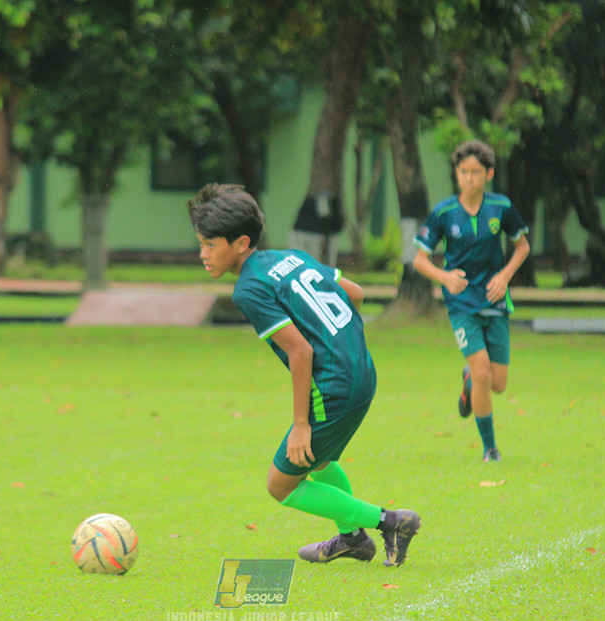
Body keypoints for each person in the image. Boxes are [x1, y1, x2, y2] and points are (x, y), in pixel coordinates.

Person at [189, 183, 420, 566]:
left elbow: (301, 351)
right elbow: (356, 293)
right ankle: (352, 539)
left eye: (210, 245)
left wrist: (301, 424)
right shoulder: (292, 257)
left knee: (280, 484)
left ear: (241, 243)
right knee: (321, 461)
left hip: (334, 386)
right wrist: (338, 340)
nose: (203, 254)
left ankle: (391, 522)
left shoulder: (249, 289)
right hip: (362, 372)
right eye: (201, 244)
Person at [412, 139, 529, 462]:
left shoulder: (501, 207)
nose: (469, 178)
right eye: (463, 171)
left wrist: (504, 276)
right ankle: (490, 449)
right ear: (457, 173)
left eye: (476, 172)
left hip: (495, 300)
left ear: (488, 174)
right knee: (482, 372)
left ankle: (468, 383)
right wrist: (445, 278)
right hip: (461, 303)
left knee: (498, 383)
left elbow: (522, 247)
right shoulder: (444, 212)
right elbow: (420, 261)